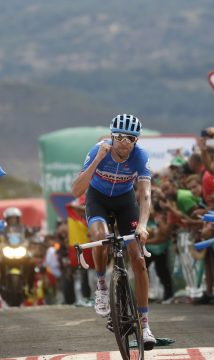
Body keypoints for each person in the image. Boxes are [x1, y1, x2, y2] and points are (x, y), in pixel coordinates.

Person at [71, 114, 155, 348]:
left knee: (138, 259)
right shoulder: (98, 150)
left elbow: (145, 193)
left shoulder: (140, 156)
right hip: (97, 199)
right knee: (100, 237)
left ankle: (145, 324)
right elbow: (76, 190)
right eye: (119, 137)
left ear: (136, 141)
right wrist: (97, 160)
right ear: (111, 137)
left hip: (125, 201)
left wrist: (143, 224)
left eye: (130, 138)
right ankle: (101, 286)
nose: (124, 142)